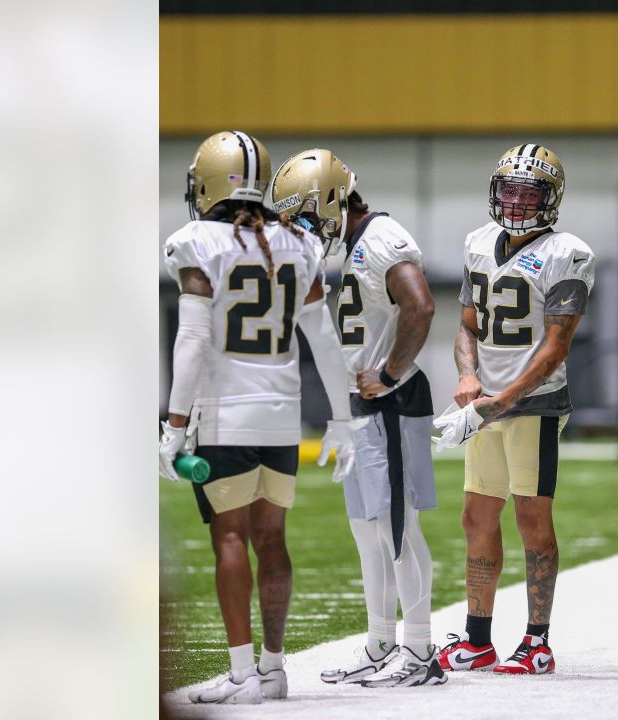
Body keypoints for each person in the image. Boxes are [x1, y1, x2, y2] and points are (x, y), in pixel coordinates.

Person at [158, 131, 359, 704]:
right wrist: (341, 420)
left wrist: (174, 427)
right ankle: (273, 669)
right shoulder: (298, 243)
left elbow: (193, 340)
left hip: (225, 416)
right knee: (272, 539)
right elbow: (324, 340)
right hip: (281, 417)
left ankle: (244, 674)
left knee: (230, 538)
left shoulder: (197, 242)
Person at [269, 149, 446, 688]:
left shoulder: (382, 239)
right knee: (368, 530)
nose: (301, 228)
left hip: (390, 403)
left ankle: (419, 654)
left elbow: (420, 306)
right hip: (366, 406)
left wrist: (390, 373)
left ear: (329, 199)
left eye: (303, 215)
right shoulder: (355, 243)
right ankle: (381, 643)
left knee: (398, 527)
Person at [432, 144, 595, 676]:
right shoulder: (478, 242)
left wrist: (505, 399)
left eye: (530, 193)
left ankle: (537, 641)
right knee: (476, 515)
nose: (518, 202)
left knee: (532, 517)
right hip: (486, 406)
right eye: (510, 190)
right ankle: (478, 639)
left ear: (551, 199)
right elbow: (466, 325)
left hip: (535, 407)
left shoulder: (568, 253)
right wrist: (467, 374)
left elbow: (555, 347)